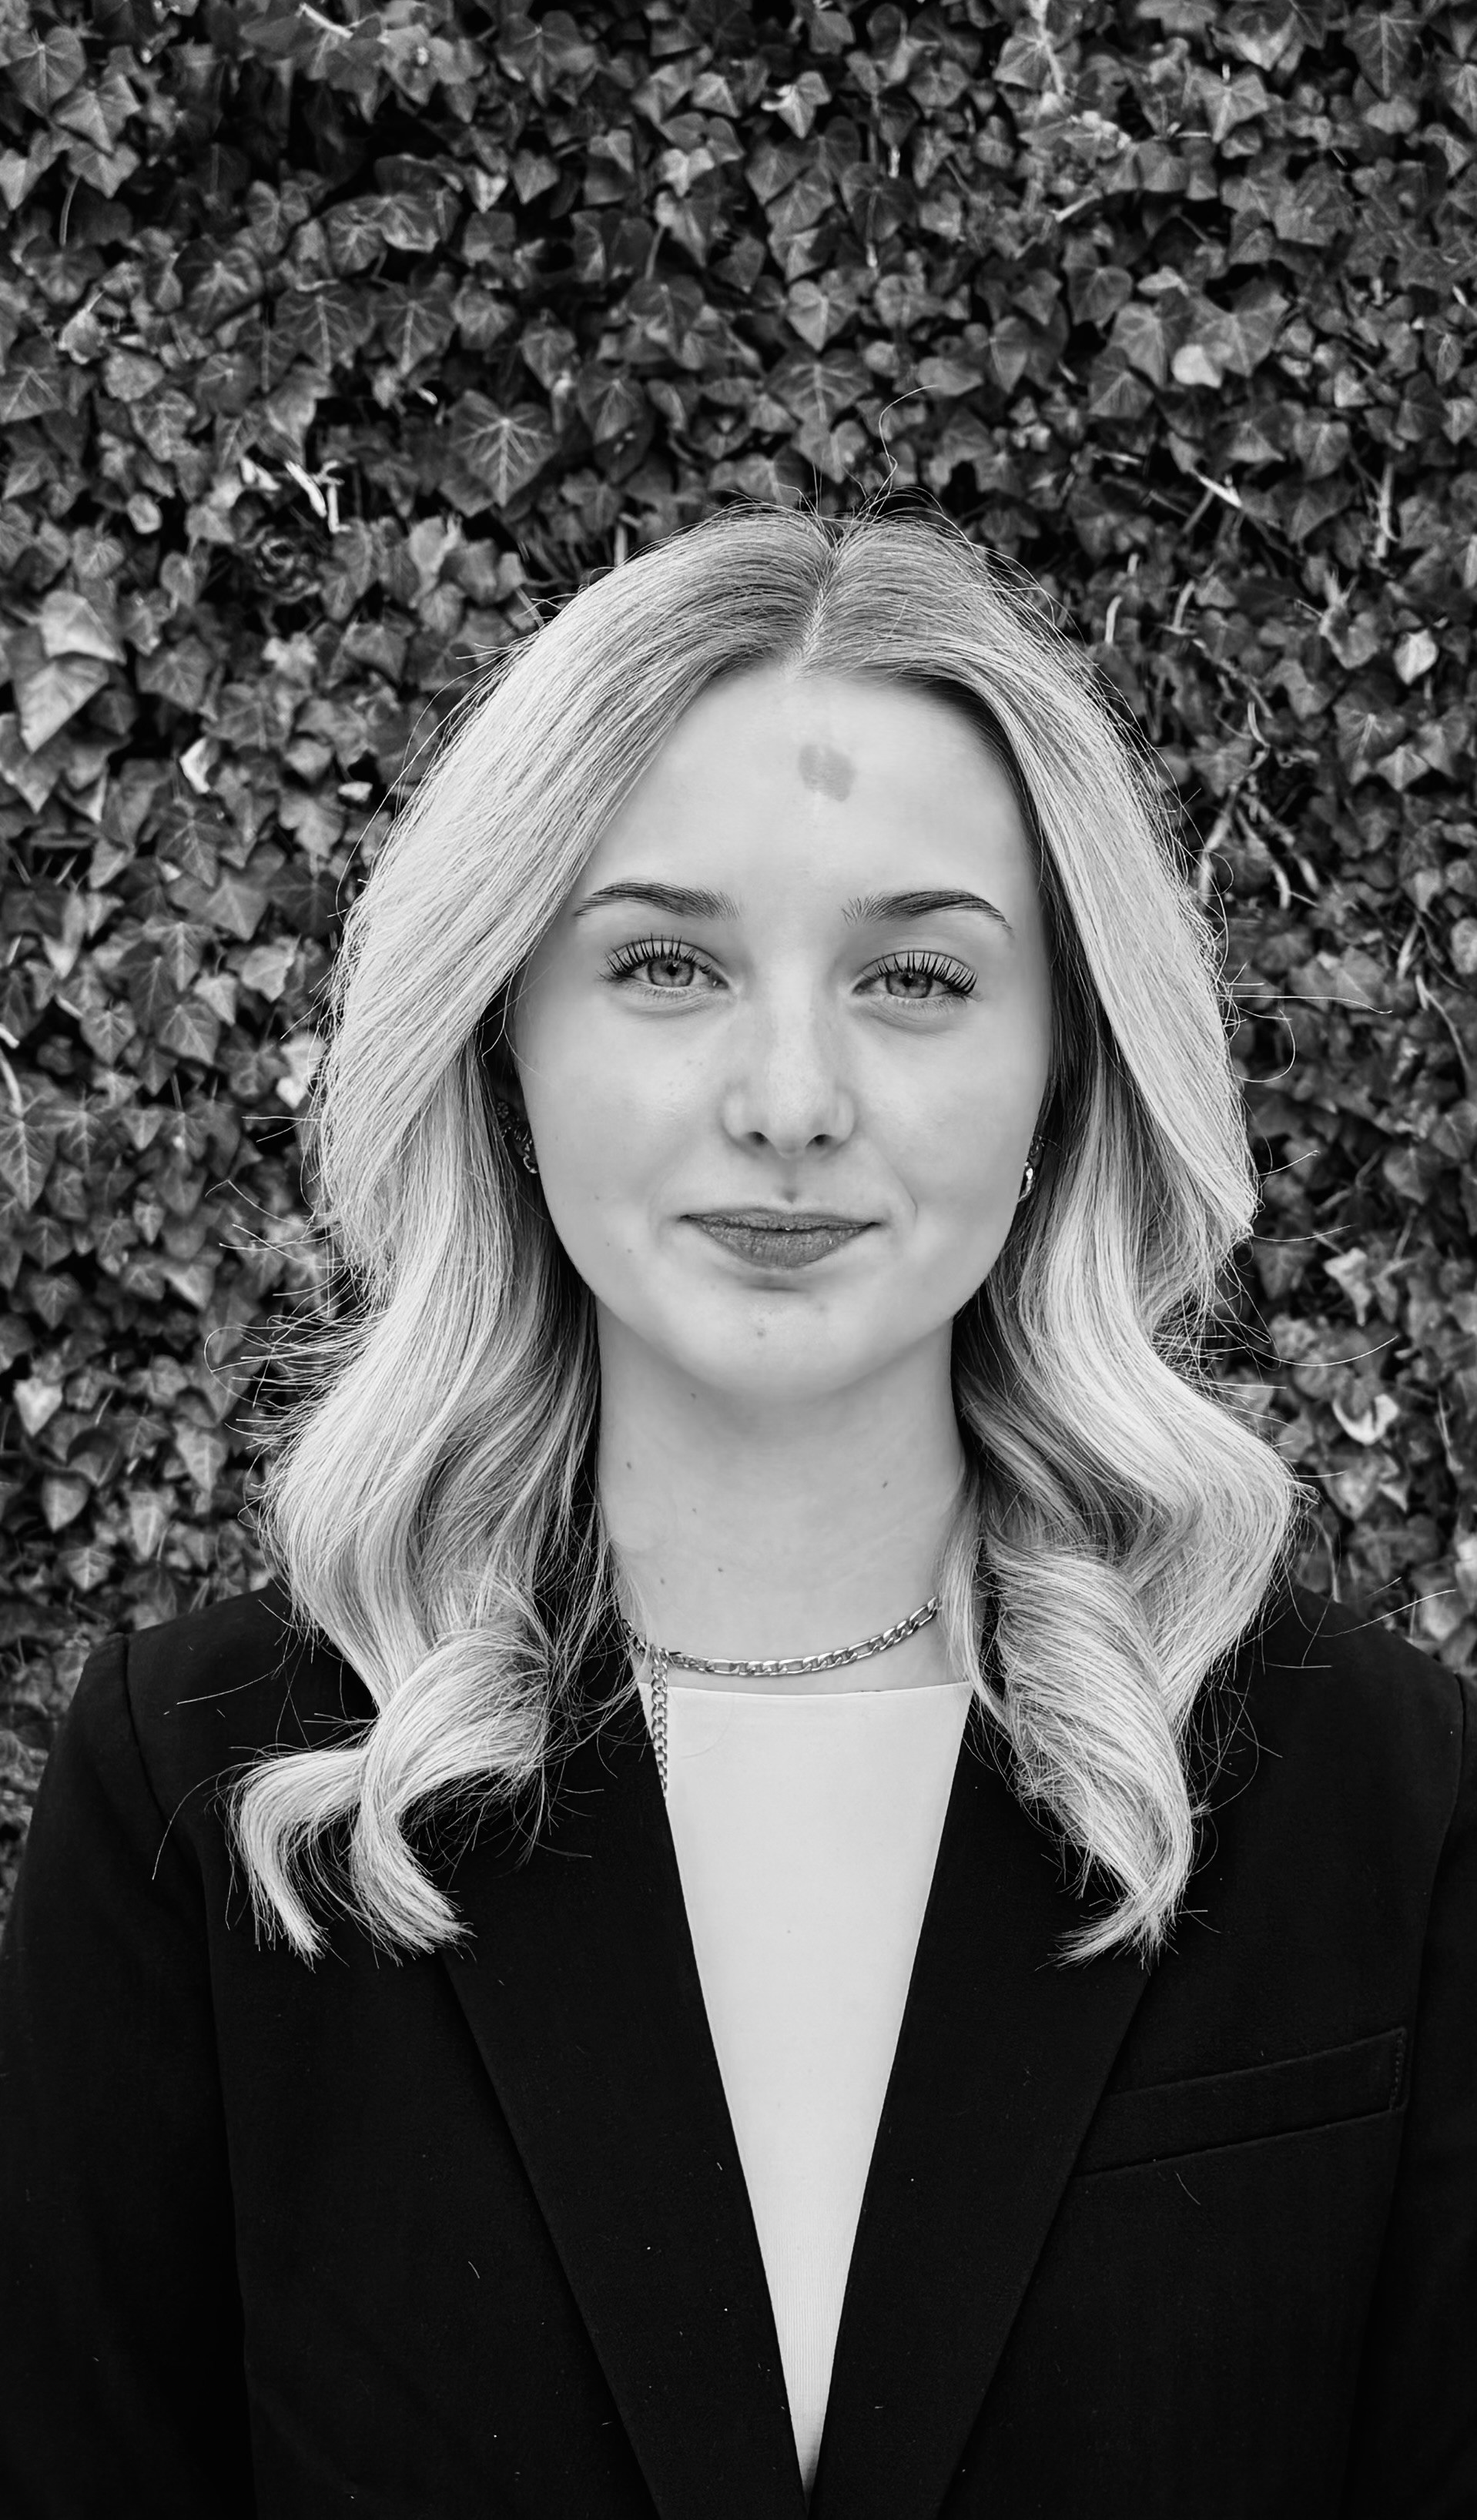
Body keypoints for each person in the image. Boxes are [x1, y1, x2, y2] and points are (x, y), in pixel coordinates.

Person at [0, 501, 1472, 2520]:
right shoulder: (210, 1795)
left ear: (1066, 1069)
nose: (791, 1099)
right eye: (666, 963)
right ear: (505, 1046)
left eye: (918, 977)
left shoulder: (1381, 1800)